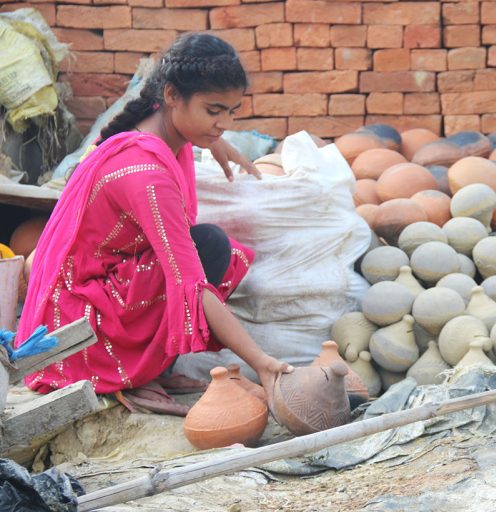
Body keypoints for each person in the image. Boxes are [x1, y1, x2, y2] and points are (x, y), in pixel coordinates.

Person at [16, 32, 292, 415]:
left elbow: (190, 128)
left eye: (232, 112)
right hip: (77, 332)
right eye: (214, 111)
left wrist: (212, 139)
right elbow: (191, 282)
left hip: (82, 295)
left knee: (208, 246)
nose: (224, 124)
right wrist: (262, 362)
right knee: (207, 250)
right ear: (172, 95)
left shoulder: (151, 133)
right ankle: (129, 373)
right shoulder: (146, 173)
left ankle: (148, 366)